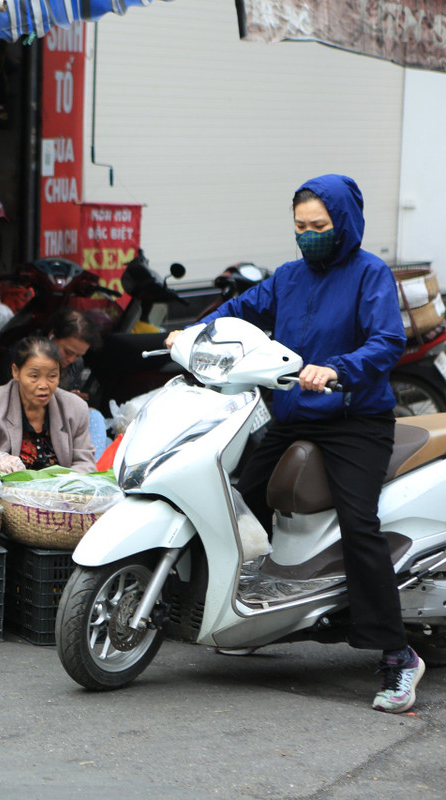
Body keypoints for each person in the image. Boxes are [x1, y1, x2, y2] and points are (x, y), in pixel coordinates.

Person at [165, 174, 422, 713]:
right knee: (238, 496)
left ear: (344, 223)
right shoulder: (288, 277)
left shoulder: (370, 274)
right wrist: (192, 334)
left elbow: (387, 341)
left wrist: (337, 369)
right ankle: (254, 614)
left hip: (355, 419)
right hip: (292, 415)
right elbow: (240, 310)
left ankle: (397, 655)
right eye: (301, 227)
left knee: (359, 525)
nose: (308, 235)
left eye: (319, 226)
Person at [0, 336, 96, 475]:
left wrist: (61, 484)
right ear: (16, 372)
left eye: (52, 376)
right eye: (34, 376)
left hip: (59, 497)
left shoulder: (75, 407)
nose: (43, 385)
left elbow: (85, 463)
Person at [48, 308, 101, 397]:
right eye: (67, 352)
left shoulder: (77, 363)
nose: (71, 359)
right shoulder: (28, 354)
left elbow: (74, 388)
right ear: (52, 336)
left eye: (78, 355)